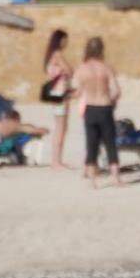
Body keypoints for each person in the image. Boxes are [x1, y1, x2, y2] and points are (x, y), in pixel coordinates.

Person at [72, 36, 122, 189]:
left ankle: (93, 181)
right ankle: (116, 178)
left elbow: (78, 92)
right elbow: (117, 90)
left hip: (91, 108)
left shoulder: (82, 69)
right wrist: (112, 102)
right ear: (102, 50)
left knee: (91, 143)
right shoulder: (106, 68)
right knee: (110, 144)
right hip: (105, 106)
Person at [43, 30, 74, 170]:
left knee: (59, 127)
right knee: (61, 128)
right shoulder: (58, 55)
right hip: (60, 94)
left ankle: (56, 160)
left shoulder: (50, 56)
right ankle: (56, 161)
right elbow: (69, 71)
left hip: (55, 93)